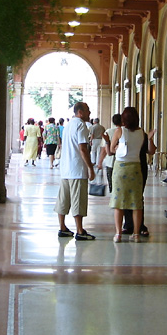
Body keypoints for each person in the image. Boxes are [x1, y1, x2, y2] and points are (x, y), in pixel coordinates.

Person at [109, 107, 155, 242]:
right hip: (136, 169)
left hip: (120, 169)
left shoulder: (119, 131)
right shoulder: (142, 133)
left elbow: (111, 149)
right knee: (136, 202)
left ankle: (118, 234)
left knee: (119, 202)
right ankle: (136, 234)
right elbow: (150, 151)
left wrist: (118, 147)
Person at [54, 102, 97, 241]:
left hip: (65, 169)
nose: (90, 113)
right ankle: (80, 230)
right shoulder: (81, 125)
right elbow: (83, 148)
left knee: (63, 199)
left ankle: (62, 227)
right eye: (88, 110)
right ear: (80, 112)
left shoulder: (67, 126)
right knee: (78, 199)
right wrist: (90, 168)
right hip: (77, 169)